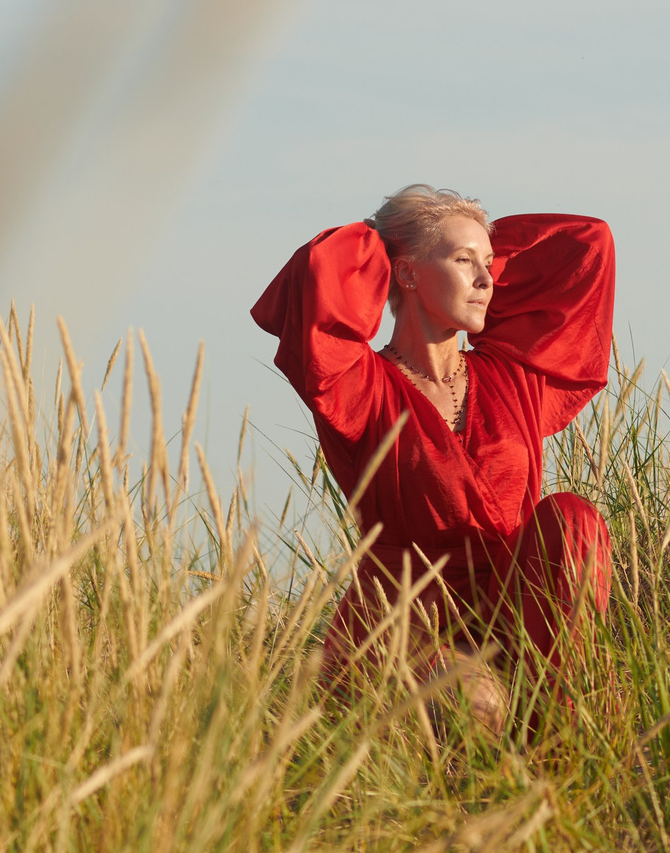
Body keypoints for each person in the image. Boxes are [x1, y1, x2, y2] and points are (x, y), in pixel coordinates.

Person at [251, 186, 614, 727]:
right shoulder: (359, 385)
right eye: (465, 261)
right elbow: (319, 271)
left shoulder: (513, 375)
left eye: (490, 263)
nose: (487, 280)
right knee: (479, 701)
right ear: (407, 273)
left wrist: (476, 247)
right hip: (404, 620)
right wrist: (381, 246)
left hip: (513, 601)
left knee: (572, 516)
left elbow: (588, 244)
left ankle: (566, 752)